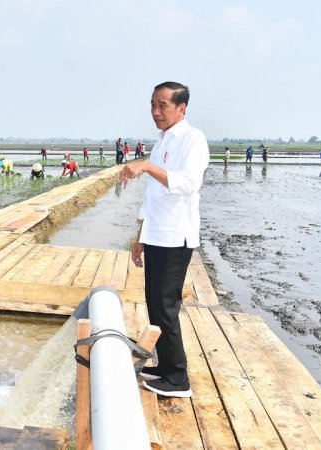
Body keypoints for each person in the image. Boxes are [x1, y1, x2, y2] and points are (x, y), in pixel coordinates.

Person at [120, 81, 209, 398]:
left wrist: (145, 166)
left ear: (181, 108)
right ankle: (166, 366)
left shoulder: (192, 139)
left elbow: (188, 183)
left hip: (175, 236)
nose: (155, 112)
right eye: (153, 105)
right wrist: (141, 237)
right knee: (154, 302)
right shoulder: (162, 142)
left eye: (162, 105)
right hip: (156, 234)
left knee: (166, 305)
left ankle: (178, 378)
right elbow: (152, 195)